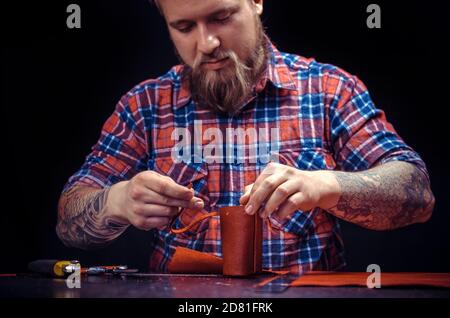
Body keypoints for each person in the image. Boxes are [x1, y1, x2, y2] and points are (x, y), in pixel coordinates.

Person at [56, 0, 435, 273]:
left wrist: (326, 185)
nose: (206, 44)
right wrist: (118, 201)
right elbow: (69, 220)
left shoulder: (329, 90)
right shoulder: (145, 105)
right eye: (184, 28)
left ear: (256, 2)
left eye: (221, 18)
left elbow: (417, 195)